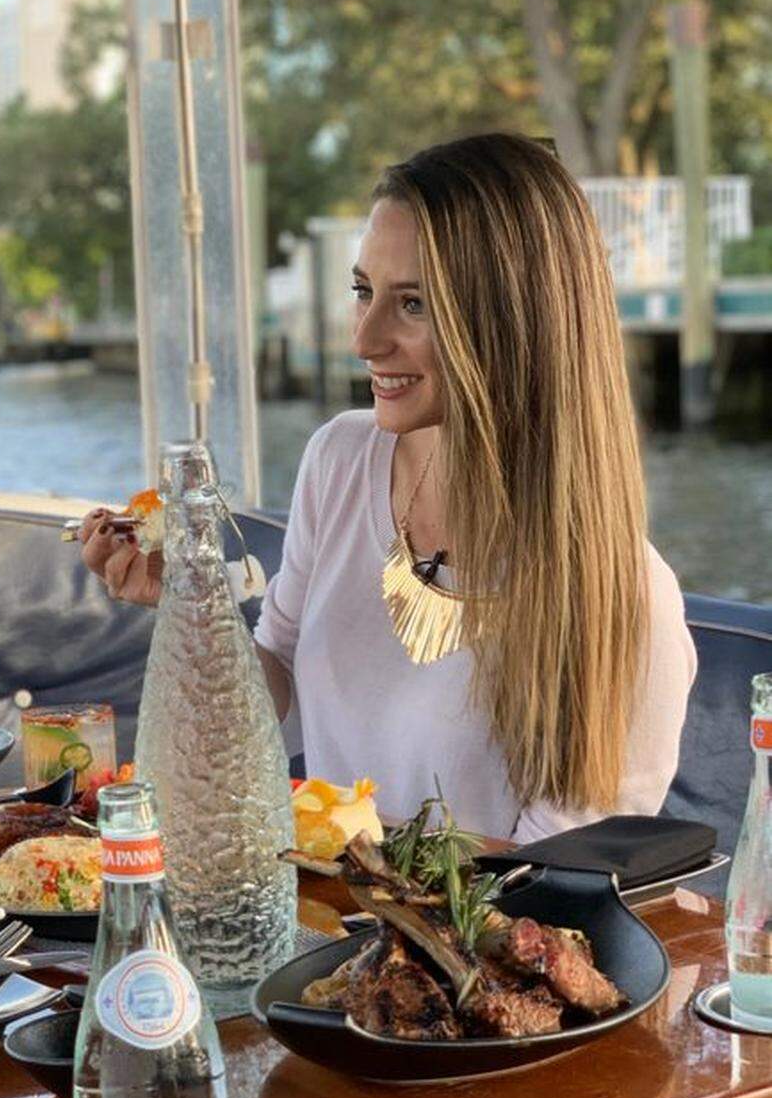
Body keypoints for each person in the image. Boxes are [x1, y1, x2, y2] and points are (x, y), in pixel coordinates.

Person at [81, 133, 696, 840]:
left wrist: (354, 867)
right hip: (313, 922)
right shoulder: (341, 459)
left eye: (413, 305)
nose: (364, 339)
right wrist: (190, 601)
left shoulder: (626, 599)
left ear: (515, 323)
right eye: (363, 291)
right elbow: (274, 678)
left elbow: (554, 889)